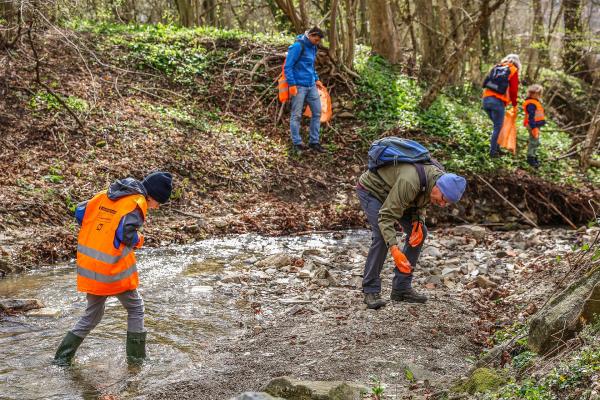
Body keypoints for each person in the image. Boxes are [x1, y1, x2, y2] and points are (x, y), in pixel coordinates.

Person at [53, 171, 173, 366]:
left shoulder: (107, 194)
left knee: (93, 314)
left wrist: (99, 234)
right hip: (111, 270)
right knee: (135, 308)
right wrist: (139, 240)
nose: (157, 207)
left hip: (89, 265)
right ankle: (136, 361)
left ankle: (62, 358)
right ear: (153, 195)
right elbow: (126, 234)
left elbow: (80, 211)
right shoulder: (136, 203)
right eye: (159, 203)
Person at [356, 163, 466, 309]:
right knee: (382, 236)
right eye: (443, 199)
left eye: (447, 203)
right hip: (373, 191)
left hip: (398, 194)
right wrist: (395, 250)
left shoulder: (436, 180)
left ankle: (401, 288)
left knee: (420, 232)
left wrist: (418, 222)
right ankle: (371, 290)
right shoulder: (410, 182)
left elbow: (420, 202)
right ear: (438, 187)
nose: (442, 204)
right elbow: (386, 216)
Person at [284, 26, 326, 155]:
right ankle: (297, 143)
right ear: (310, 35)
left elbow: (310, 66)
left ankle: (314, 142)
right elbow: (288, 66)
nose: (317, 42)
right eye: (316, 39)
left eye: (319, 40)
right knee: (296, 115)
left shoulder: (313, 47)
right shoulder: (298, 46)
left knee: (317, 113)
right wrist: (292, 84)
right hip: (299, 86)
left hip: (311, 85)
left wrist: (316, 78)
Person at [482, 54, 521, 157]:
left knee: (499, 126)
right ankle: (493, 152)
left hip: (486, 100)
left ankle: (497, 148)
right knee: (498, 126)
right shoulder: (513, 70)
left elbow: (485, 81)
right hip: (497, 102)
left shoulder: (497, 67)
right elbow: (513, 90)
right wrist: (514, 104)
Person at [522, 84, 546, 168]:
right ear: (532, 93)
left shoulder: (535, 102)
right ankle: (530, 158)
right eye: (537, 94)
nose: (539, 95)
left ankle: (533, 155)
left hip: (536, 125)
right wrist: (533, 127)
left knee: (536, 141)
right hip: (533, 125)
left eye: (540, 94)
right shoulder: (531, 103)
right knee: (533, 141)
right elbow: (531, 116)